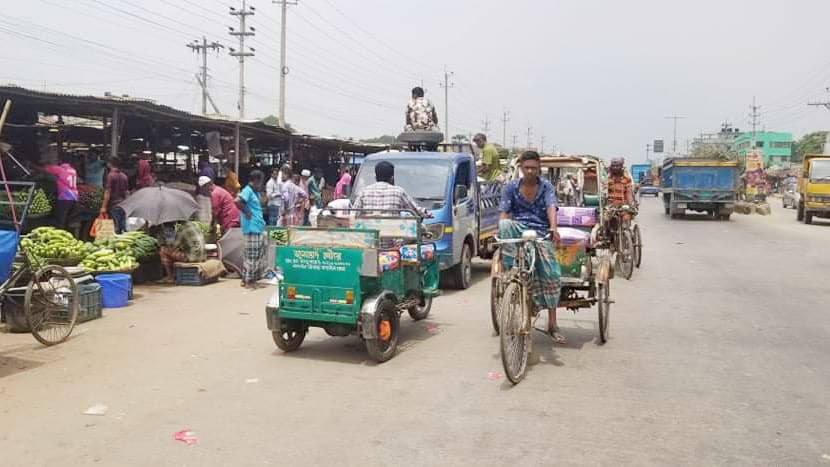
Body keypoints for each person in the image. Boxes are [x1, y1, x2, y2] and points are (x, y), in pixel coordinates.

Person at [498, 151, 564, 343]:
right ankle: (512, 269)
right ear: (520, 168)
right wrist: (502, 235)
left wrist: (553, 228)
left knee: (551, 274)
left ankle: (552, 324)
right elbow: (504, 213)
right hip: (518, 230)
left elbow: (551, 207)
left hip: (541, 231)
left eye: (533, 168)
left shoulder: (546, 187)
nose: (530, 171)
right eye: (526, 167)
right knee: (504, 225)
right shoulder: (511, 187)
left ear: (539, 168)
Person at [352, 161, 428, 217]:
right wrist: (426, 213)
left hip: (369, 236)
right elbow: (415, 210)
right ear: (392, 178)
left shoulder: (364, 192)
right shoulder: (399, 192)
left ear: (375, 177)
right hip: (392, 236)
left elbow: (354, 214)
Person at [235, 170, 267, 288]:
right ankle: (248, 280)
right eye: (261, 182)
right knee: (252, 256)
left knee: (257, 254)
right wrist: (246, 211)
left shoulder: (255, 192)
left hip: (257, 226)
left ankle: (250, 278)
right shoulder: (247, 190)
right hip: (251, 227)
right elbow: (237, 201)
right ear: (256, 181)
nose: (262, 185)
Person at [39, 157, 79, 229]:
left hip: (65, 197)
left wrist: (31, 165)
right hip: (74, 197)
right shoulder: (73, 170)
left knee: (60, 220)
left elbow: (44, 169)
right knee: (68, 219)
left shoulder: (60, 169)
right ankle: (69, 234)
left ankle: (60, 234)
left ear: (60, 162)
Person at [100, 156, 129, 234]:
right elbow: (126, 192)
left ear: (110, 164)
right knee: (122, 228)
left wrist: (103, 207)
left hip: (114, 205)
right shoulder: (124, 176)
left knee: (115, 228)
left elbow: (107, 192)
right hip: (123, 205)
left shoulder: (110, 176)